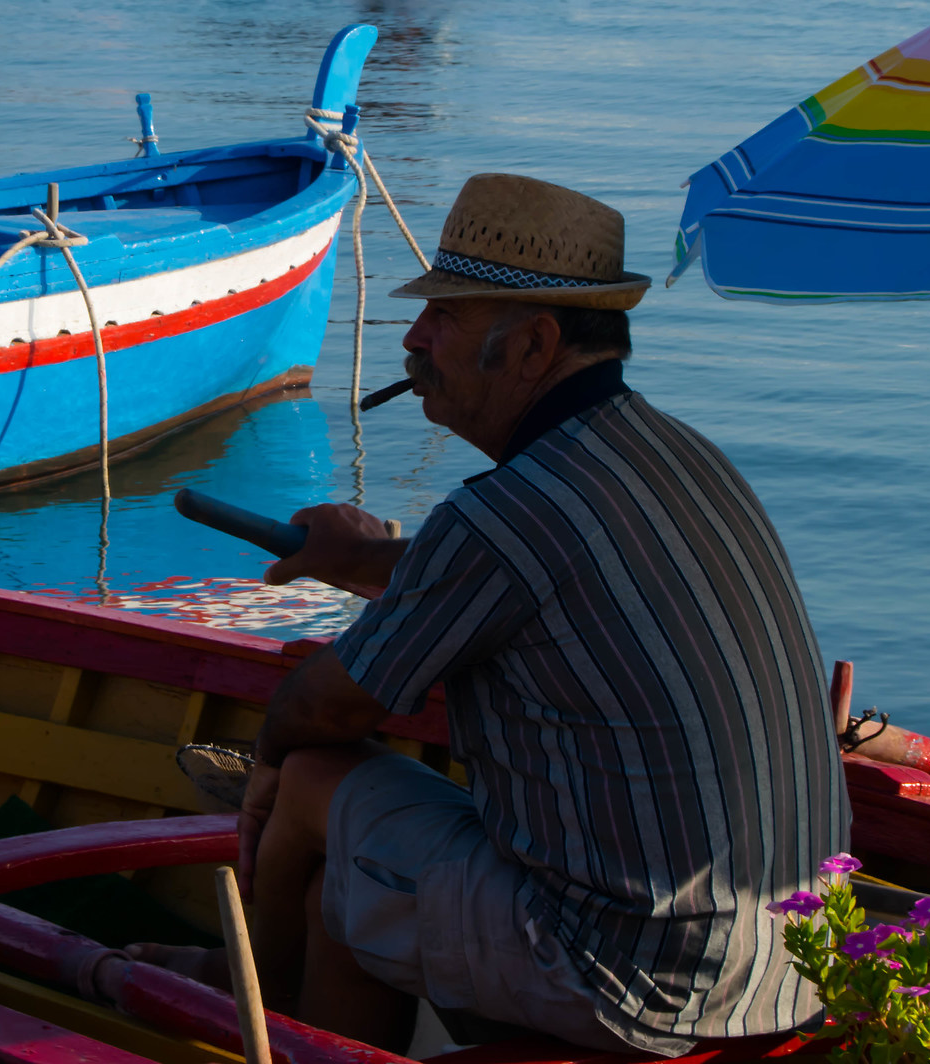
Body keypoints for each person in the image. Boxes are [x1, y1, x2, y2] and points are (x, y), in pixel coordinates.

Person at [147, 174, 847, 1054]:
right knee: (359, 867)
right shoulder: (681, 457)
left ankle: (256, 983)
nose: (414, 339)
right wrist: (363, 558)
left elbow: (323, 705)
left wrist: (264, 784)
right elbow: (532, 579)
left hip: (633, 980)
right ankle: (279, 984)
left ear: (534, 344)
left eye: (445, 319)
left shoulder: (505, 515)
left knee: (317, 776)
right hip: (792, 965)